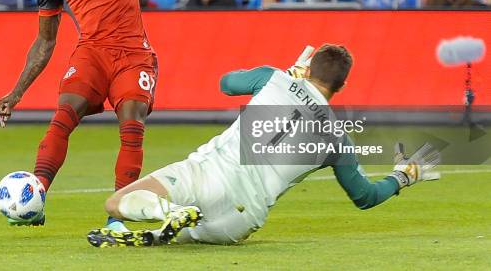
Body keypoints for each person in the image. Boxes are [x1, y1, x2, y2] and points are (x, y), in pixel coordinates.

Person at [0, 0, 274, 231]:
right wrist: (16, 91)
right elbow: (44, 41)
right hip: (91, 52)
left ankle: (117, 218)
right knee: (64, 115)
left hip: (133, 54)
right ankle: (35, 198)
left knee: (131, 127)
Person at [86, 45, 441, 247]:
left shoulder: (274, 77)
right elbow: (363, 196)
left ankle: (165, 211)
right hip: (240, 218)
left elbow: (226, 83)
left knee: (116, 203)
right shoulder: (338, 135)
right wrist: (402, 177)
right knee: (183, 242)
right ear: (342, 86)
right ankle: (170, 221)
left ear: (308, 67)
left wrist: (287, 73)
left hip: (205, 175)